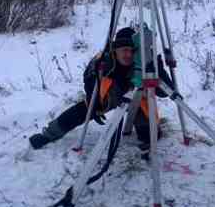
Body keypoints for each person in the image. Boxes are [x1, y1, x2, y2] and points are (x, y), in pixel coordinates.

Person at [29, 27, 173, 151]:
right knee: (83, 110)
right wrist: (95, 100)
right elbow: (89, 79)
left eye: (131, 51)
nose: (128, 55)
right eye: (124, 50)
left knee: (150, 135)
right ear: (115, 50)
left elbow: (165, 92)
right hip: (109, 96)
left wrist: (156, 70)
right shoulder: (103, 60)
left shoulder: (145, 60)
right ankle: (49, 134)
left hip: (136, 99)